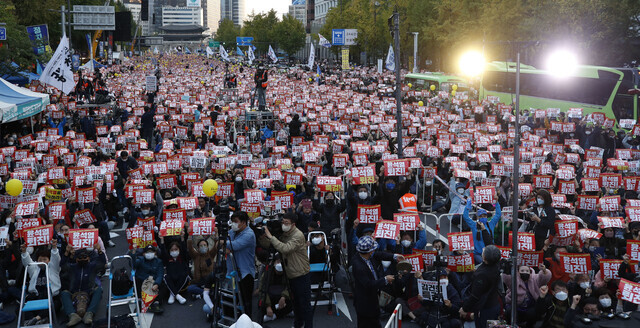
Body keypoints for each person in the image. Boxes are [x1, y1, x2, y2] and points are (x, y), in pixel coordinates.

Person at [262, 212, 312, 328]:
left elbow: (285, 248)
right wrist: (263, 235)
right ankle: (298, 325)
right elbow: (272, 244)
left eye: (286, 223)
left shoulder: (297, 235)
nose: (283, 225)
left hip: (301, 274)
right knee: (296, 304)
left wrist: (271, 236)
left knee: (304, 305)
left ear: (293, 224)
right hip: (291, 274)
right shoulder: (285, 233)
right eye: (282, 222)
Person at [352, 235, 402, 328]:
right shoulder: (359, 266)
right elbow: (369, 284)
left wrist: (395, 256)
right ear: (370, 252)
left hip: (371, 300)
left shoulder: (363, 256)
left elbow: (380, 254)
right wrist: (385, 280)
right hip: (365, 304)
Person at [60, 246, 106, 326]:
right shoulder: (72, 267)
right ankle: (72, 315)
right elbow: (63, 265)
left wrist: (99, 251)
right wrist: (66, 253)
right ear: (76, 259)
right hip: (74, 293)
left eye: (84, 257)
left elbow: (102, 263)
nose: (82, 259)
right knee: (64, 293)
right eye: (80, 258)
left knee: (99, 290)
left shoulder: (92, 266)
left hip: (88, 293)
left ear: (88, 258)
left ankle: (89, 314)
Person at [459, 245, 501, 328]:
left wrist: (464, 309)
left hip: (485, 309)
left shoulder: (482, 275)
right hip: (495, 305)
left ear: (484, 258)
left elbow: (475, 296)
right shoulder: (496, 266)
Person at [227, 211, 256, 318]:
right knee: (234, 297)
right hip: (233, 271)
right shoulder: (233, 231)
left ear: (243, 222)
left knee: (246, 300)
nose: (233, 224)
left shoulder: (249, 234)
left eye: (235, 222)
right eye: (232, 221)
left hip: (245, 272)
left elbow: (234, 245)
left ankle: (248, 321)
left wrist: (222, 243)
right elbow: (227, 239)